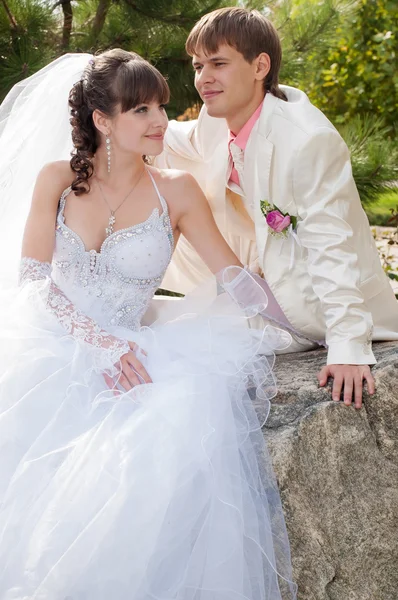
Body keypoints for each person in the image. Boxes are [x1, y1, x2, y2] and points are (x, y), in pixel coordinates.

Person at [0, 49, 297, 599]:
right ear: (102, 120)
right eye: (139, 109)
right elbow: (34, 282)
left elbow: (232, 275)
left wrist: (311, 332)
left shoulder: (176, 190)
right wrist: (96, 341)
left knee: (147, 458)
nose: (160, 120)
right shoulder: (57, 180)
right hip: (51, 339)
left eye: (160, 105)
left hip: (139, 349)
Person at [156, 7, 398, 410]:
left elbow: (330, 245)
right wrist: (116, 122)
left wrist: (348, 347)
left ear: (260, 66)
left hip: (308, 305)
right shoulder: (219, 118)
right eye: (198, 66)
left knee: (173, 342)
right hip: (260, 284)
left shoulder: (307, 141)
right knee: (144, 319)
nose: (202, 78)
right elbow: (172, 138)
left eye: (218, 63)